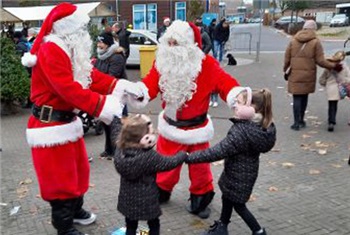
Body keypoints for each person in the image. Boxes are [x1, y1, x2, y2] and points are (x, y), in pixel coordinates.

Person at [21, 3, 139, 235]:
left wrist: (120, 85)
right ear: (69, 29)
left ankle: (76, 210)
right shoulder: (51, 50)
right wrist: (102, 105)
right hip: (49, 126)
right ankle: (63, 226)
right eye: (81, 28)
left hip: (67, 123)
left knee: (78, 170)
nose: (85, 33)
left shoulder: (70, 49)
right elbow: (67, 88)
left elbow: (90, 76)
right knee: (59, 179)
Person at [124, 20, 241, 219]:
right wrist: (137, 92)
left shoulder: (206, 64)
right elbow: (150, 85)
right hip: (170, 128)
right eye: (168, 43)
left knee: (200, 169)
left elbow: (225, 83)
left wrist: (237, 95)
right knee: (165, 166)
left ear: (189, 46)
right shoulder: (162, 63)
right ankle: (161, 190)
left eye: (175, 44)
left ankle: (200, 198)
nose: (171, 48)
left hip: (197, 128)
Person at [186, 87, 276, 235]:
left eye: (239, 103)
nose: (235, 106)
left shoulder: (241, 132)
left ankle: (258, 231)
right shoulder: (261, 126)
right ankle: (222, 226)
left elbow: (217, 152)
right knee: (227, 197)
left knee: (239, 206)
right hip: (242, 173)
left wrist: (190, 157)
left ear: (252, 109)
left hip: (238, 176)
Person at [114, 114, 188, 235]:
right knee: (153, 224)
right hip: (147, 200)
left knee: (131, 225)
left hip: (127, 198)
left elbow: (116, 131)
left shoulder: (120, 150)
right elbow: (169, 163)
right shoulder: (149, 156)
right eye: (151, 132)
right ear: (145, 138)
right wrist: (182, 155)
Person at [284, 20, 343, 131]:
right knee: (304, 96)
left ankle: (296, 123)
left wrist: (285, 70)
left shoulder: (293, 40)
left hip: (295, 74)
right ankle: (301, 120)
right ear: (314, 29)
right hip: (308, 74)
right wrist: (333, 66)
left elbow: (287, 58)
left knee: (296, 96)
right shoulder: (316, 42)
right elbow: (320, 61)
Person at [94, 31, 128, 159]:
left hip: (118, 94)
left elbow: (112, 75)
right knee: (106, 122)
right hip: (106, 94)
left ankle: (120, 151)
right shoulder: (101, 56)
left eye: (101, 42)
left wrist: (98, 81)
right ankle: (109, 149)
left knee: (118, 123)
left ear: (108, 43)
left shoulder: (117, 57)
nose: (99, 44)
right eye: (98, 42)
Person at [319, 51, 350, 132]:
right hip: (340, 87)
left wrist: (324, 84)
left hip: (331, 88)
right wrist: (344, 82)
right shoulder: (345, 67)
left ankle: (331, 121)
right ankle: (332, 121)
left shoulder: (328, 67)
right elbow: (348, 78)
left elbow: (322, 79)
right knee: (335, 104)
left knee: (332, 105)